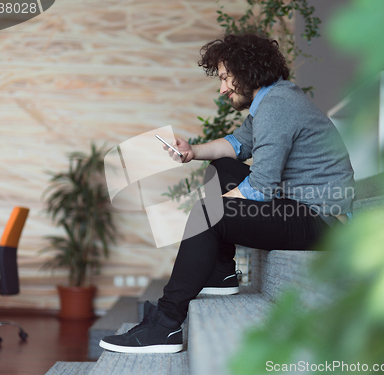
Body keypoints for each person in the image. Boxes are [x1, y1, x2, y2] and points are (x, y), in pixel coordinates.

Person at [99, 33, 354, 354]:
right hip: (302, 209)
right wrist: (191, 151)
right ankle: (220, 274)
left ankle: (165, 324)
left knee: (208, 213)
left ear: (247, 70)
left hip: (321, 223)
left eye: (224, 77)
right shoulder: (274, 101)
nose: (222, 89)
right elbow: (235, 145)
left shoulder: (278, 107)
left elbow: (261, 188)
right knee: (223, 167)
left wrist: (206, 211)